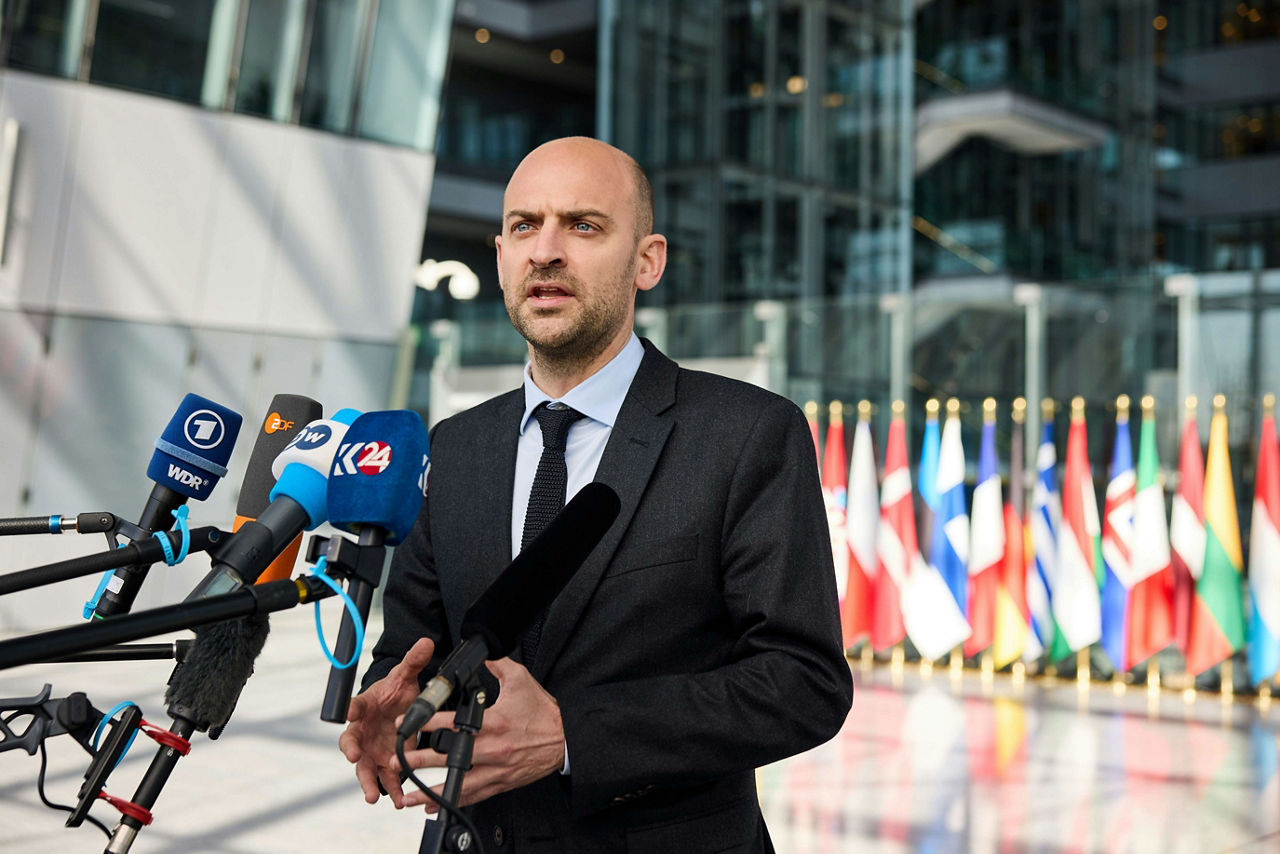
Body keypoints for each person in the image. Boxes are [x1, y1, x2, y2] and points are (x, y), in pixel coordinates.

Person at [339, 136, 852, 853]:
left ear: (648, 260)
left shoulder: (747, 435)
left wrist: (573, 736)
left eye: (583, 225)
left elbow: (803, 683)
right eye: (524, 226)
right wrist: (396, 713)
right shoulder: (453, 448)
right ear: (500, 256)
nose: (545, 251)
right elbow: (411, 653)